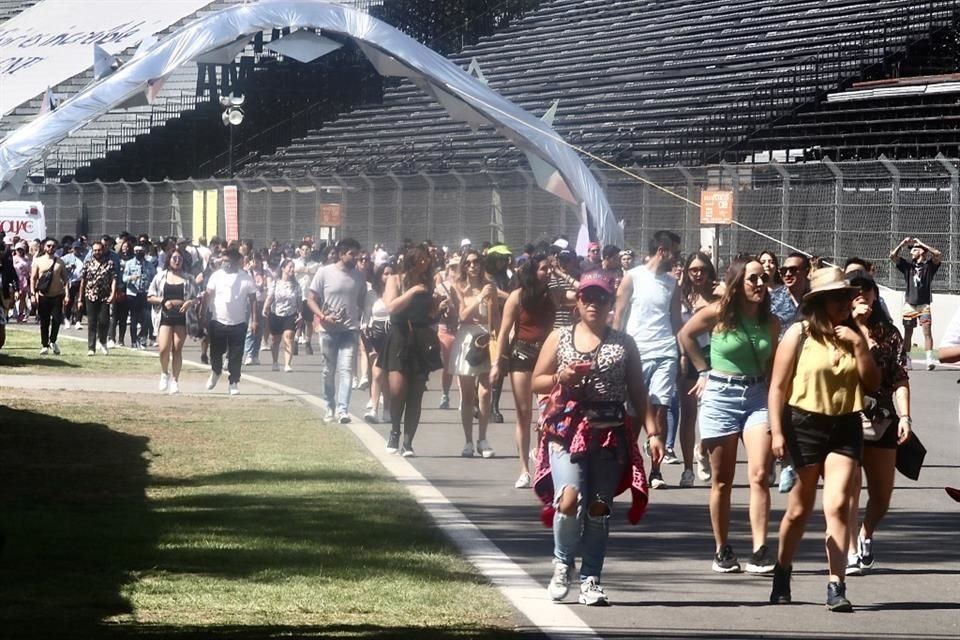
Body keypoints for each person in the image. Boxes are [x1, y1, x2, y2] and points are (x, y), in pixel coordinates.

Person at [531, 270, 661, 606]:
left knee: (599, 508)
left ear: (610, 303)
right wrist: (560, 376)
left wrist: (654, 432)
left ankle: (591, 578)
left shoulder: (624, 343)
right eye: (587, 297)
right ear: (578, 301)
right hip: (566, 429)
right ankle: (562, 563)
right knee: (569, 499)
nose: (593, 303)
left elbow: (638, 391)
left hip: (608, 431)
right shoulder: (559, 337)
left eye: (601, 297)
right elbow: (537, 382)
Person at [768, 267, 880, 611]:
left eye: (847, 296)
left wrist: (860, 345)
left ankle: (836, 584)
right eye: (837, 298)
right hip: (804, 425)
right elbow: (777, 387)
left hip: (845, 426)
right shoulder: (798, 335)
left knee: (837, 505)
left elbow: (873, 385)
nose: (846, 303)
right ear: (819, 303)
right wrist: (776, 431)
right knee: (799, 511)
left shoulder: (856, 334)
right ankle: (783, 570)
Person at [679, 257, 780, 574]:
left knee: (760, 474)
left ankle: (761, 549)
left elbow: (773, 363)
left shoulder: (772, 322)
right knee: (722, 481)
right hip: (720, 395)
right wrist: (702, 370)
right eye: (753, 279)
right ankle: (722, 549)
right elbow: (685, 335)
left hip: (756, 396)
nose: (760, 284)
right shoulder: (719, 313)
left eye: (764, 278)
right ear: (737, 283)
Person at [843, 267, 912, 576]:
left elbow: (899, 377)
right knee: (849, 488)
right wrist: (856, 326)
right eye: (855, 292)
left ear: (875, 296)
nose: (862, 297)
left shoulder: (889, 334)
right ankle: (850, 550)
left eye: (867, 292)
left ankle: (865, 533)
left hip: (882, 418)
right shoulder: (838, 330)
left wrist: (906, 417)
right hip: (846, 416)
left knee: (882, 496)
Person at [614, 230, 682, 489]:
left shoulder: (673, 283)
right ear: (662, 250)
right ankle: (631, 464)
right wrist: (614, 348)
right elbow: (619, 315)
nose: (677, 257)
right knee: (633, 413)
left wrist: (683, 351)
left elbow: (676, 321)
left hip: (665, 351)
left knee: (661, 407)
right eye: (674, 251)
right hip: (636, 351)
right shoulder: (632, 277)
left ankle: (656, 471)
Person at [492, 252, 555, 489]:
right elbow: (503, 332)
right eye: (544, 269)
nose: (548, 272)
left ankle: (541, 460)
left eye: (550, 269)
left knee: (547, 412)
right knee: (524, 413)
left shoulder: (553, 295)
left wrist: (562, 274)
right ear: (532, 272)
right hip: (521, 355)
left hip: (547, 356)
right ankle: (524, 470)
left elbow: (581, 291)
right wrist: (497, 363)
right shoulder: (517, 297)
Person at [379, 244, 445, 456]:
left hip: (422, 337)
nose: (425, 263)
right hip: (399, 335)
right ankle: (395, 431)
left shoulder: (429, 283)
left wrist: (439, 307)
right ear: (412, 259)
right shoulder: (395, 279)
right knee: (397, 390)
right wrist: (413, 291)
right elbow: (391, 307)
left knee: (416, 392)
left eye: (427, 259)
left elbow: (429, 315)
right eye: (421, 259)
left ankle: (408, 442)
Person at [308, 238, 367, 423]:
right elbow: (311, 299)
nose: (355, 257)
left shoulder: (359, 276)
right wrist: (323, 317)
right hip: (328, 330)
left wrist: (360, 318)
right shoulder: (324, 272)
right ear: (341, 254)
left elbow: (362, 300)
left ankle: (343, 410)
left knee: (347, 369)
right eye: (352, 254)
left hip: (349, 330)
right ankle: (329, 406)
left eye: (357, 254)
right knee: (328, 371)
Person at [448, 249, 499, 458]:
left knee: (485, 392)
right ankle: (468, 440)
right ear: (463, 265)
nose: (472, 266)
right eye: (468, 263)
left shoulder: (490, 286)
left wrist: (499, 346)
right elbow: (461, 315)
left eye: (476, 262)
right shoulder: (457, 287)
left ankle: (483, 439)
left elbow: (495, 318)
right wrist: (479, 299)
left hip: (486, 338)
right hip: (466, 339)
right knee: (467, 395)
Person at [676, 251, 720, 485]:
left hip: (714, 357)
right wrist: (682, 355)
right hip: (688, 359)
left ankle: (702, 449)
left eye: (702, 269)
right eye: (693, 270)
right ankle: (687, 469)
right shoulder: (681, 297)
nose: (698, 274)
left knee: (712, 412)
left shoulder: (718, 296)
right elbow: (677, 328)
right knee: (689, 413)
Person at [205, 247, 258, 395]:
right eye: (223, 260)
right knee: (216, 352)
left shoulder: (245, 277)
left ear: (236, 261)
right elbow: (208, 295)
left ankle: (234, 382)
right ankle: (216, 371)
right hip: (218, 321)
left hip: (238, 322)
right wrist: (203, 315)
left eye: (228, 260)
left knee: (236, 355)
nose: (225, 263)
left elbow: (253, 299)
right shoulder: (216, 276)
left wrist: (254, 320)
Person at [148, 249, 200, 394]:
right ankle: (164, 373)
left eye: (180, 259)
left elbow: (197, 297)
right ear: (169, 260)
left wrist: (190, 302)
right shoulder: (160, 277)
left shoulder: (189, 278)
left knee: (177, 349)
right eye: (174, 258)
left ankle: (175, 381)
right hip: (165, 315)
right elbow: (150, 296)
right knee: (164, 348)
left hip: (182, 317)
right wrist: (163, 301)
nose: (177, 261)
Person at [890, 236, 942, 370]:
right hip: (909, 305)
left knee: (927, 332)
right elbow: (893, 256)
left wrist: (922, 244)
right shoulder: (907, 266)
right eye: (911, 249)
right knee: (908, 333)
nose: (911, 251)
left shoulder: (929, 266)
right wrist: (902, 244)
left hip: (924, 304)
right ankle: (908, 360)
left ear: (922, 252)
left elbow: (938, 254)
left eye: (914, 249)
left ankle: (929, 360)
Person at [362, 262, 394, 422]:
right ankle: (374, 409)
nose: (388, 277)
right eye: (385, 273)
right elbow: (367, 315)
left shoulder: (396, 293)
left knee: (387, 374)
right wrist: (365, 329)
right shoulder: (372, 294)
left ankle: (387, 408)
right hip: (376, 334)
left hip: (392, 334)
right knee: (377, 373)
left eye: (391, 273)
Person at [30, 238, 69, 355]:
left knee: (57, 320)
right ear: (44, 247)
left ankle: (53, 341)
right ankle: (44, 345)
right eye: (48, 246)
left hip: (57, 295)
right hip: (43, 295)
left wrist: (67, 295)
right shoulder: (38, 261)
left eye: (53, 246)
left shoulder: (60, 262)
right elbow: (33, 278)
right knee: (44, 322)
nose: (51, 248)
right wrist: (33, 294)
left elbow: (66, 279)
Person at [262, 258, 301, 372]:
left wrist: (300, 314)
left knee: (289, 337)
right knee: (275, 340)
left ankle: (287, 364)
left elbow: (299, 301)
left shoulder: (296, 285)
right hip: (276, 314)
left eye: (293, 267)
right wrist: (265, 308)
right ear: (283, 268)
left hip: (290, 314)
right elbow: (270, 297)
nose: (292, 269)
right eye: (290, 267)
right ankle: (275, 362)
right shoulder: (275, 283)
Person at [79, 241, 117, 356]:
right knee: (92, 321)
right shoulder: (88, 263)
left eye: (99, 250)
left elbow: (114, 279)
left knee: (104, 321)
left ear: (103, 250)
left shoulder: (109, 263)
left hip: (104, 296)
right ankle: (91, 347)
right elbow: (83, 281)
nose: (97, 252)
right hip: (90, 295)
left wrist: (113, 294)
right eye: (95, 250)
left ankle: (103, 342)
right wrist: (80, 299)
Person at [435, 255, 460, 410]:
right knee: (448, 365)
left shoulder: (465, 286)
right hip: (445, 329)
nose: (454, 271)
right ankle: (445, 394)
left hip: (461, 328)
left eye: (457, 267)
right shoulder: (440, 287)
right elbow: (433, 310)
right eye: (452, 267)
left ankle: (465, 398)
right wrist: (440, 306)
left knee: (462, 366)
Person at [122, 245, 156, 349]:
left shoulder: (149, 264)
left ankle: (142, 336)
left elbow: (154, 277)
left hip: (145, 293)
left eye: (140, 251)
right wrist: (131, 278)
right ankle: (133, 341)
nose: (138, 253)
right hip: (133, 293)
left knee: (147, 316)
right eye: (136, 251)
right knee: (134, 318)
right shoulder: (129, 263)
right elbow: (124, 278)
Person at [108, 239, 134, 348]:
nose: (125, 249)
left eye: (127, 247)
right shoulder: (116, 258)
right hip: (117, 288)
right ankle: (111, 338)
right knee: (114, 315)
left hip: (128, 290)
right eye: (123, 246)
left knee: (123, 317)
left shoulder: (133, 259)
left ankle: (121, 339)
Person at [61, 242, 85, 330]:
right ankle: (67, 319)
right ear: (72, 249)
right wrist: (68, 267)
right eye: (75, 248)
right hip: (71, 282)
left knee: (80, 301)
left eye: (78, 248)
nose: (77, 250)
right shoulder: (67, 257)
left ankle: (78, 321)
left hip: (81, 282)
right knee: (69, 302)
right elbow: (60, 266)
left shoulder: (84, 258)